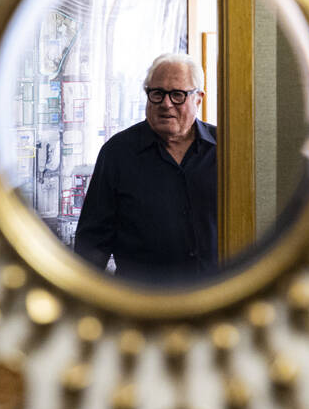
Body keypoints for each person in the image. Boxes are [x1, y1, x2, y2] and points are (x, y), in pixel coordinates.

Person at [73, 53, 217, 282]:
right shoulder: (117, 153)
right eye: (157, 93)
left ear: (198, 99)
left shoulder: (226, 150)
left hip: (217, 298)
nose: (166, 104)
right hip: (142, 303)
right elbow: (92, 243)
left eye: (178, 95)